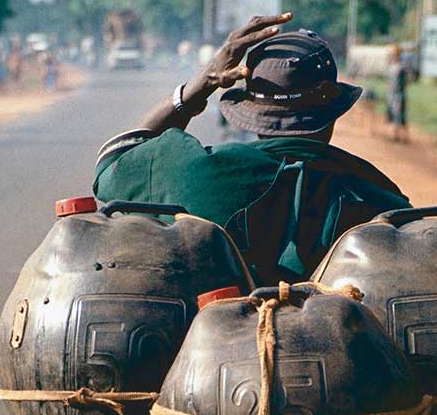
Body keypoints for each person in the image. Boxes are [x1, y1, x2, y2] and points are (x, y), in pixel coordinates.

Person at [93, 15, 410, 286]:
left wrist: (196, 89)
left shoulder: (194, 171)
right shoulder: (376, 191)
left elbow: (113, 165)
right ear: (333, 113)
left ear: (252, 114)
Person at [385, 44, 408, 142]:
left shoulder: (401, 67)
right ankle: (396, 135)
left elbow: (404, 82)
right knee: (393, 114)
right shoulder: (392, 66)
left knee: (399, 115)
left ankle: (402, 136)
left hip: (398, 94)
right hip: (391, 93)